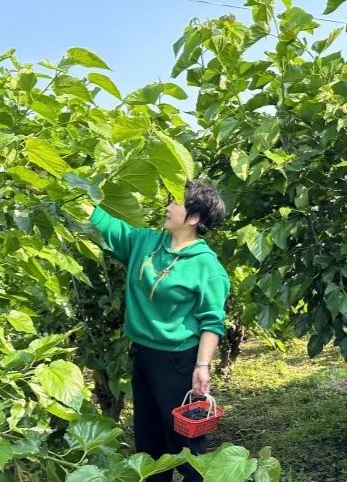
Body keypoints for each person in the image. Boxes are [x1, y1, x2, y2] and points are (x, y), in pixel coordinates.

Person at [86, 181, 229, 482]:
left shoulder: (207, 267)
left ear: (193, 218)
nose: (166, 207)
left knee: (186, 442)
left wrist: (202, 366)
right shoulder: (146, 243)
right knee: (148, 440)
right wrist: (68, 192)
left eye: (174, 202)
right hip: (143, 355)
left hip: (179, 362)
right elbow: (105, 224)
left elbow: (211, 321)